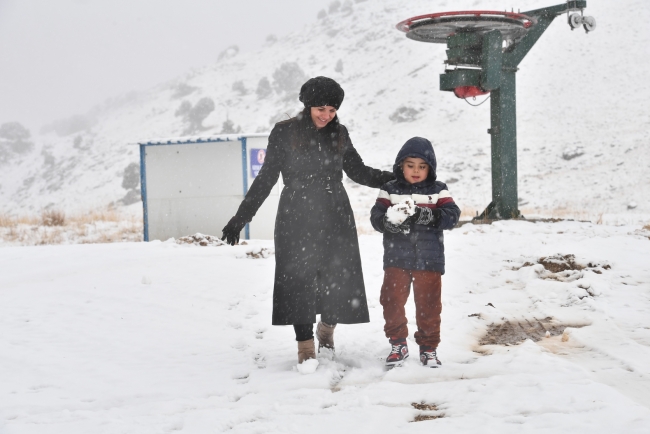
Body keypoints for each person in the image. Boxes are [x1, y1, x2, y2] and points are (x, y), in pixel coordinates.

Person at [221, 76, 394, 364]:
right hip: (296, 215)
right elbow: (266, 179)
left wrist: (395, 178)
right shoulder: (284, 133)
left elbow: (358, 171)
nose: (327, 116)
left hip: (335, 212)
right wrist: (240, 218)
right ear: (308, 105)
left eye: (332, 110)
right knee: (298, 282)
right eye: (321, 109)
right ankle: (305, 348)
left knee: (337, 279)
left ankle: (326, 331)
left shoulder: (340, 133)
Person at [370, 137, 461, 368]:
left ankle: (429, 348)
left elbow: (452, 216)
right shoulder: (389, 189)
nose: (416, 171)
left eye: (422, 166)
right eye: (410, 165)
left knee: (429, 305)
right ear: (401, 165)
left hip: (429, 259)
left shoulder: (438, 190)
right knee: (391, 301)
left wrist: (427, 215)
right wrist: (389, 223)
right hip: (396, 258)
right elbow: (376, 218)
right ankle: (398, 343)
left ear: (430, 168)